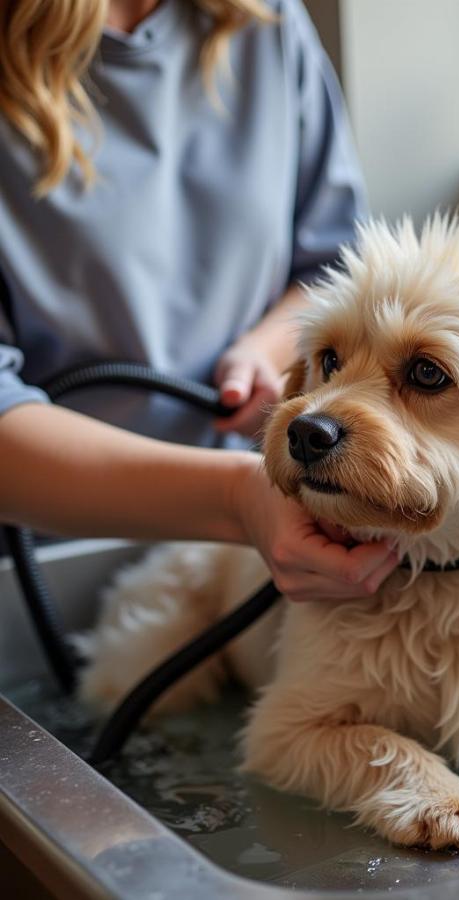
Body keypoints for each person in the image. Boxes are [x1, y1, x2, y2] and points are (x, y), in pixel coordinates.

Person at [0, 0, 399, 602]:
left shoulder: (266, 22)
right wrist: (236, 498)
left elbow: (334, 266)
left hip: (268, 525)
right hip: (50, 553)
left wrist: (266, 349)